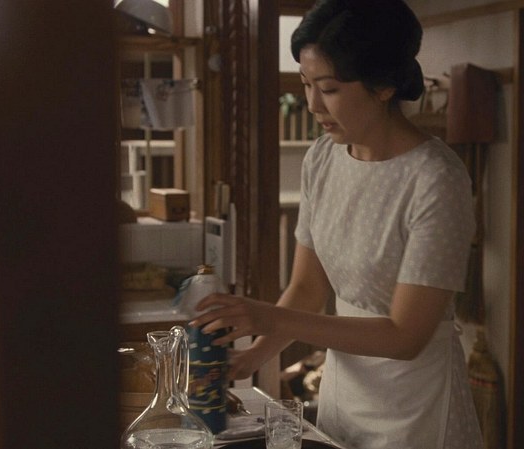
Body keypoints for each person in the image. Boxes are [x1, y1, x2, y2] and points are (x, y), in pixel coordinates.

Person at [190, 0, 484, 447]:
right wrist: (253, 356)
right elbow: (308, 289)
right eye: (306, 84)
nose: (312, 104)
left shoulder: (436, 179)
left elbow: (406, 337)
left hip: (415, 404)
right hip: (345, 391)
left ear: (383, 86)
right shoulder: (323, 158)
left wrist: (267, 316)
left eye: (328, 88)